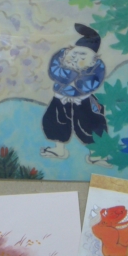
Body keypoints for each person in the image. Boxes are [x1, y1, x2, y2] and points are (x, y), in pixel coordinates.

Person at [41, 23, 109, 165]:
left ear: (92, 59)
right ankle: (59, 149)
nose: (77, 57)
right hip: (60, 98)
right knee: (55, 122)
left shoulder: (98, 65)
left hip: (83, 101)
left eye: (83, 55)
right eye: (75, 53)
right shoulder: (61, 57)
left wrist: (75, 80)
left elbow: (90, 83)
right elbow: (55, 72)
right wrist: (73, 74)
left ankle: (96, 155)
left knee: (90, 125)